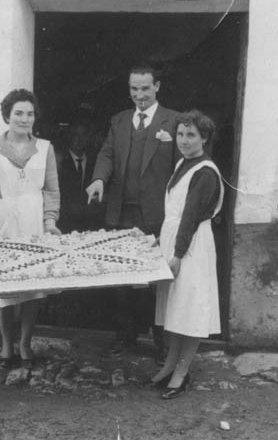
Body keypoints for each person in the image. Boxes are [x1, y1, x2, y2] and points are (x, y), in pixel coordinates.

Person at [85, 62, 179, 357]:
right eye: (134, 89)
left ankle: (161, 340)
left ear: (157, 87)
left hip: (156, 215)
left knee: (155, 280)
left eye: (145, 88)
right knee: (123, 278)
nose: (139, 95)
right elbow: (107, 153)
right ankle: (126, 335)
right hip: (122, 213)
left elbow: (181, 166)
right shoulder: (120, 121)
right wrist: (99, 179)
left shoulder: (174, 121)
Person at [0, 88, 60, 370]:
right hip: (5, 222)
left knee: (31, 288)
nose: (25, 119)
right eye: (18, 113)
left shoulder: (45, 148)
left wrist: (50, 221)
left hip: (34, 222)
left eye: (30, 113)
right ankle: (6, 342)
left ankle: (25, 341)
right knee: (5, 288)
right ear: (7, 116)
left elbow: (51, 189)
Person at [146, 110, 224, 399]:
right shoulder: (183, 163)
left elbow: (190, 217)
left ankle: (181, 372)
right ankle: (169, 364)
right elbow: (176, 211)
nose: (184, 140)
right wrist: (161, 240)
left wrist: (177, 253)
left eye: (191, 135)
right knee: (175, 309)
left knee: (189, 310)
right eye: (180, 134)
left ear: (204, 137)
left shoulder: (205, 172)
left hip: (191, 246)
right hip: (176, 239)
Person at [57, 121, 105, 233]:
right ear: (69, 136)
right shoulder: (59, 162)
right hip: (65, 224)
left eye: (84, 135)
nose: (80, 139)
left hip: (90, 225)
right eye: (76, 135)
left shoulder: (95, 163)